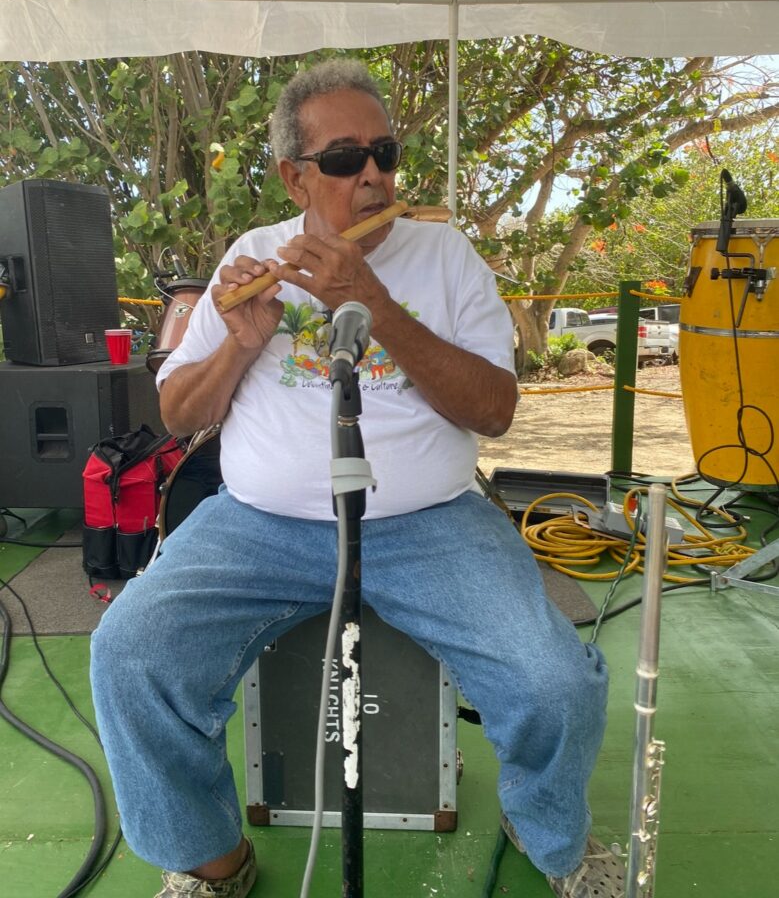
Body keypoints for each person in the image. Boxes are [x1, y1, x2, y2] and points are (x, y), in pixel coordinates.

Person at [90, 58, 622, 898]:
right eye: (344, 159)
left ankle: (548, 829)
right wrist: (240, 340)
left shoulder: (445, 258)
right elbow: (180, 415)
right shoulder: (252, 256)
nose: (372, 174)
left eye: (385, 152)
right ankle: (208, 859)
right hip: (259, 524)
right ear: (293, 176)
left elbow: (493, 410)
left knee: (551, 680)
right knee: (129, 653)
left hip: (430, 522)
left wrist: (370, 298)